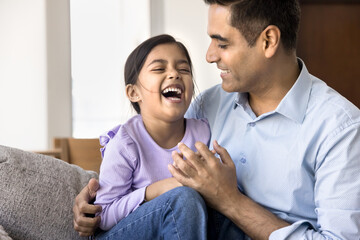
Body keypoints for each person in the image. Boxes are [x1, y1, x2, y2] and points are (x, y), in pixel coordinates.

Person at [74, 0, 360, 239]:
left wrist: (232, 202)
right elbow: (148, 164)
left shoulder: (340, 129)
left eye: (222, 43)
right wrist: (92, 199)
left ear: (268, 41)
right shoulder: (207, 106)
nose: (209, 56)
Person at [88, 34, 211, 239]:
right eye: (159, 68)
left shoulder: (203, 133)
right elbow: (103, 216)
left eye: (184, 69)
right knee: (183, 198)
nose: (174, 74)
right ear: (134, 93)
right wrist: (154, 191)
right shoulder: (125, 142)